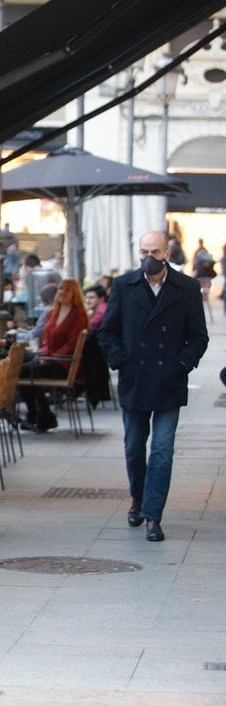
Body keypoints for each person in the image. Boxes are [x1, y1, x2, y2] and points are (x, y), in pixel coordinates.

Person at [98, 231, 208, 543]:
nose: (149, 257)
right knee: (134, 447)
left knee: (161, 450)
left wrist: (182, 364)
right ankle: (138, 498)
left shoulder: (186, 288)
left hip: (169, 382)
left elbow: (198, 336)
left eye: (155, 252)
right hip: (135, 379)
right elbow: (107, 331)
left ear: (167, 254)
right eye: (144, 251)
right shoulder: (124, 285)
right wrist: (121, 360)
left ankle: (153, 516)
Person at [15, 278, 88, 434]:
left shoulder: (78, 314)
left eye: (68, 290)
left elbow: (72, 344)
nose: (63, 292)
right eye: (61, 289)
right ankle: (38, 414)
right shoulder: (52, 312)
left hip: (64, 363)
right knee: (18, 369)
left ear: (75, 293)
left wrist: (50, 356)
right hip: (48, 358)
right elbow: (46, 340)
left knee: (24, 372)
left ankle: (42, 415)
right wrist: (43, 353)